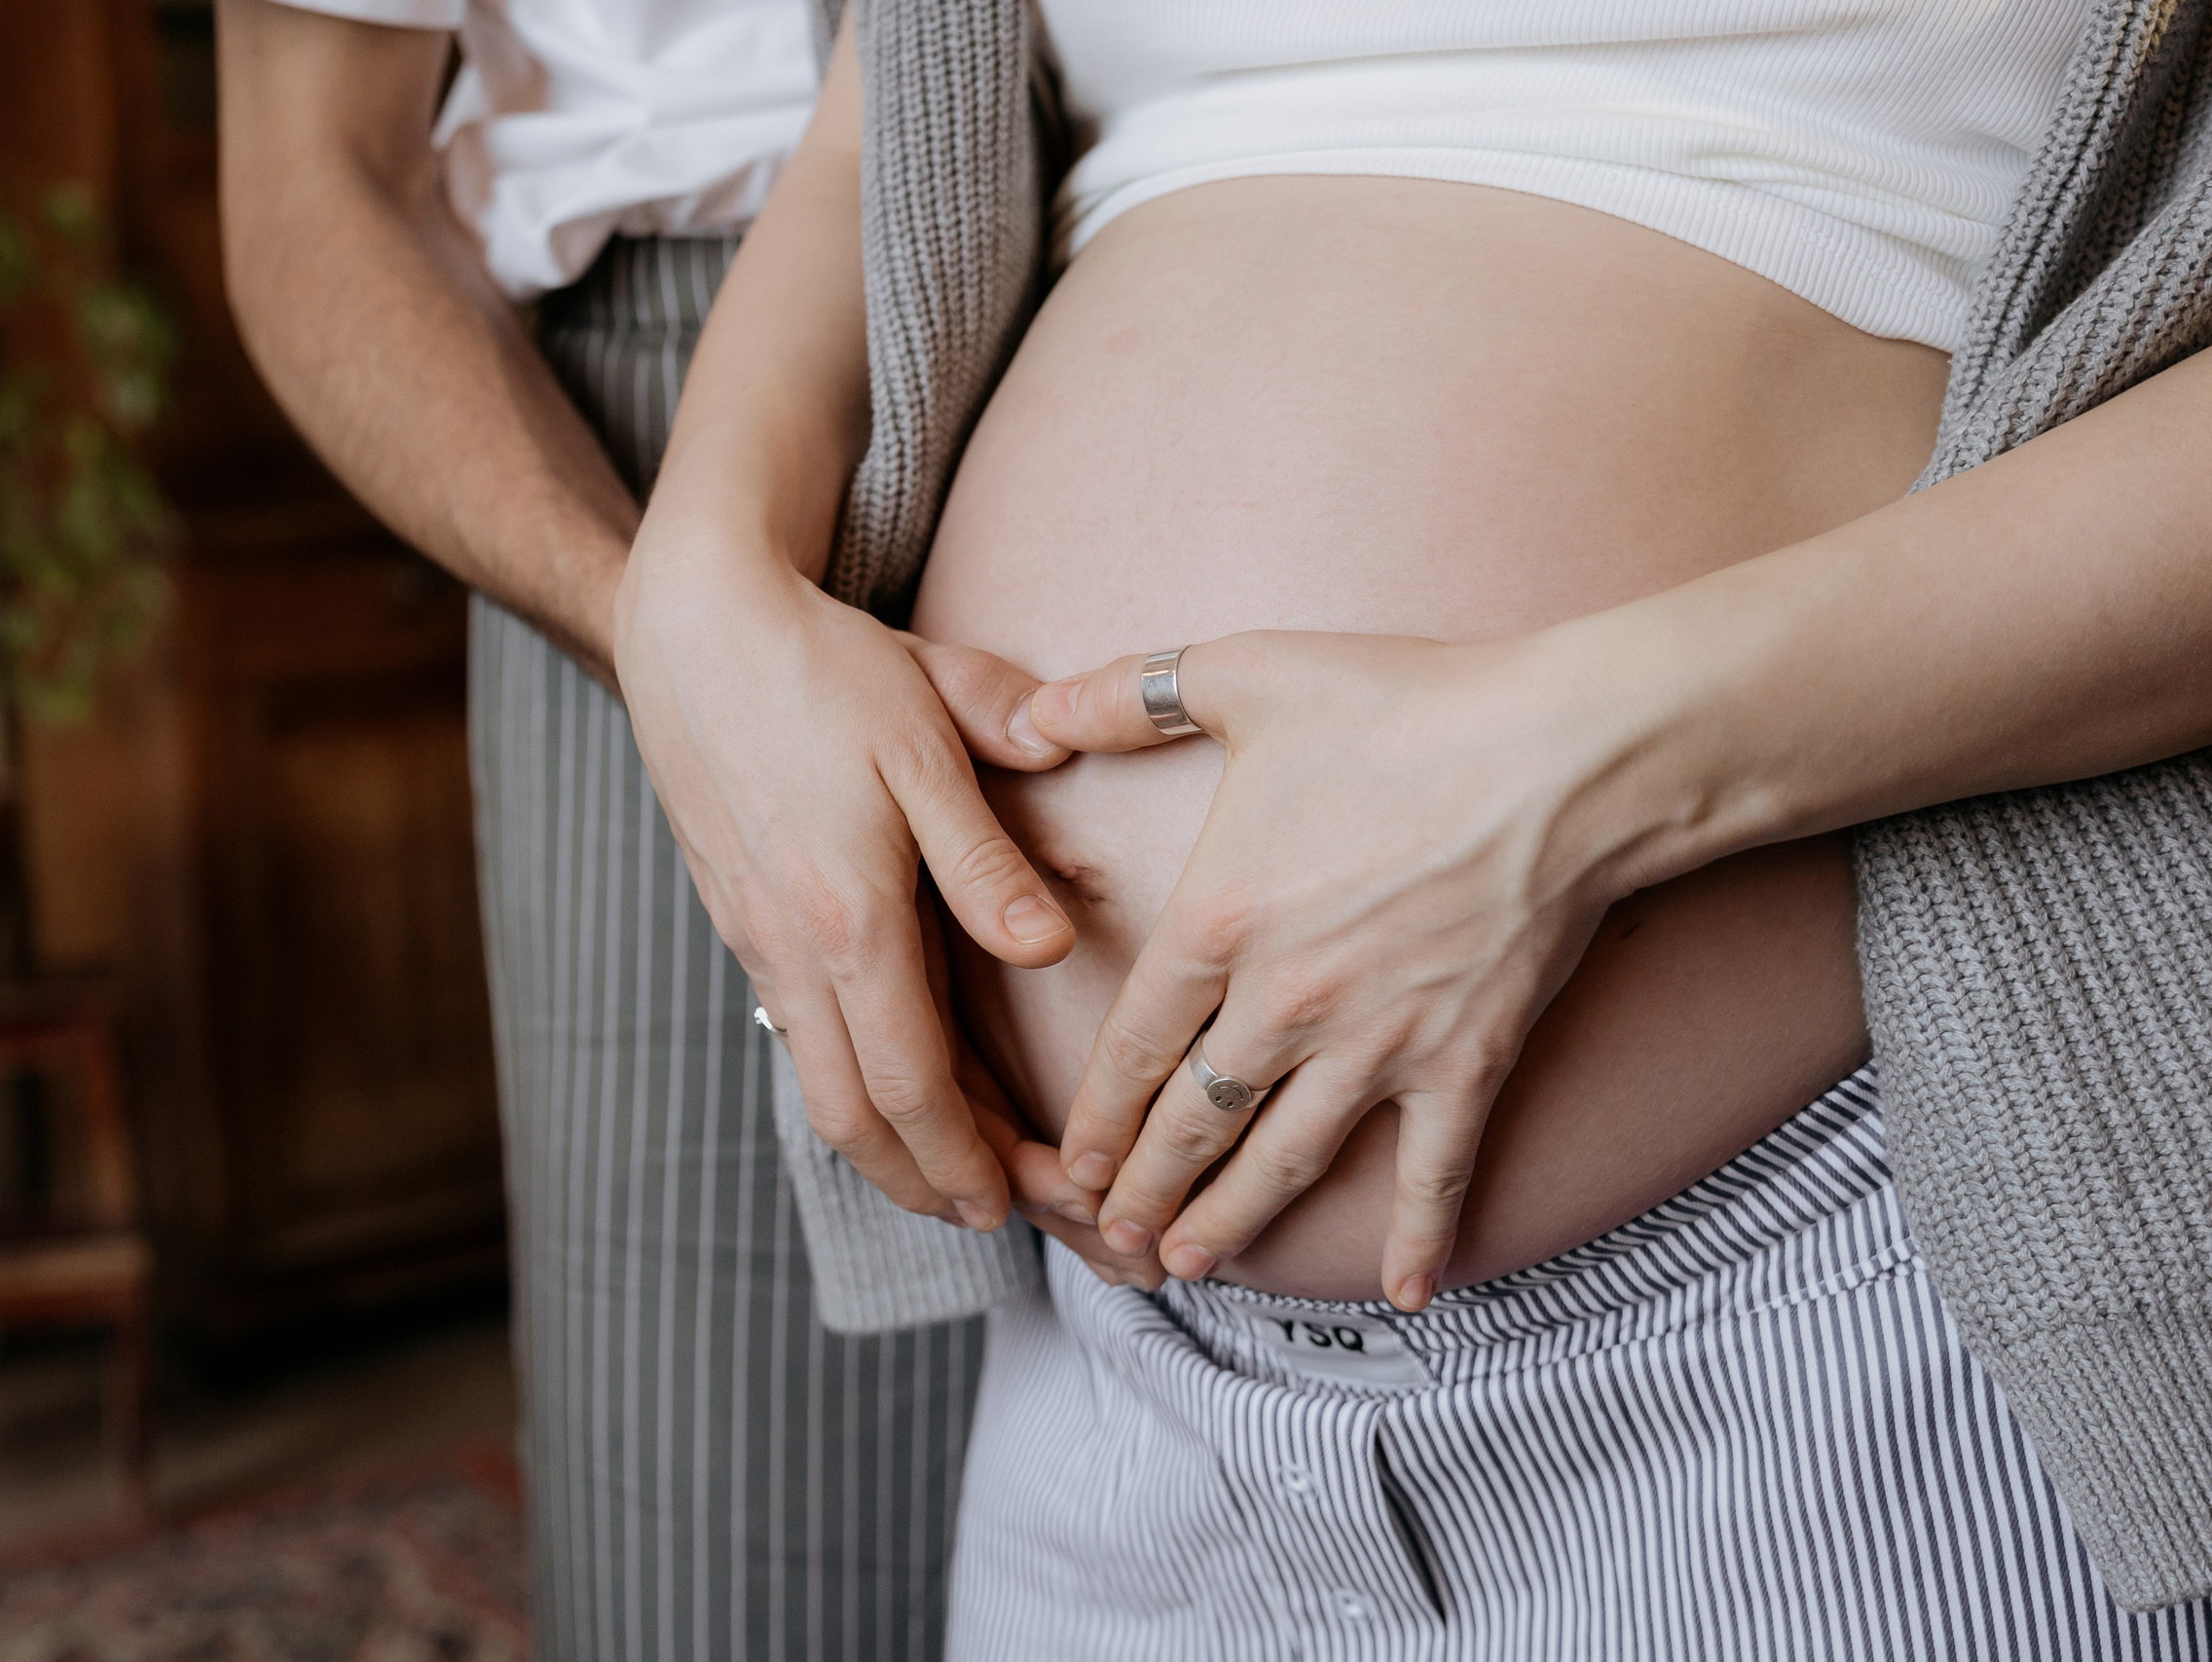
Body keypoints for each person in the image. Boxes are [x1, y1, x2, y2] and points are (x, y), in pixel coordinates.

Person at [616, 0, 2212, 1655]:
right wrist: (703, 565)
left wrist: (1574, 771)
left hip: (1879, 1298)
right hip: (1117, 1371)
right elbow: (890, 116)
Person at [212, 5, 1043, 1656]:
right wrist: (680, 648)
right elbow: (317, 182)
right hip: (657, 451)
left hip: (1142, 292)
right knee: (730, 1549)